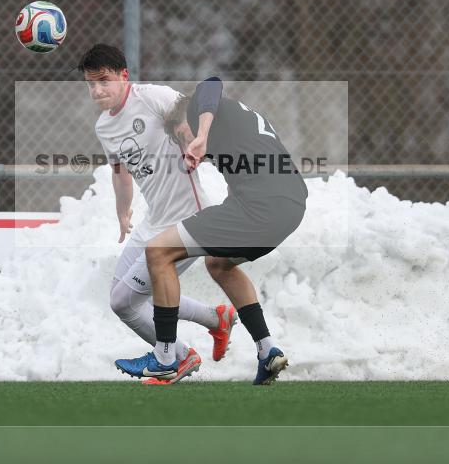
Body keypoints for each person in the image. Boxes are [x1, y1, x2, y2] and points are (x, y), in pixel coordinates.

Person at [115, 77, 307, 385]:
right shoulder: (235, 123)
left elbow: (211, 84)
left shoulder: (201, 112)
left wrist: (200, 133)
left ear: (189, 115)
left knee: (158, 251)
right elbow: (248, 171)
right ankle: (267, 349)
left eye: (181, 134)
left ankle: (165, 359)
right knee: (218, 263)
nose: (184, 142)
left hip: (263, 207)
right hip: (292, 207)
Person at [78, 45, 237, 384]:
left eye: (103, 80)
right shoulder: (104, 127)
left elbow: (185, 118)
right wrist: (123, 214)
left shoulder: (152, 97)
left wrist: (193, 141)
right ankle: (215, 319)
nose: (97, 90)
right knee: (122, 299)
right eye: (90, 84)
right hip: (154, 219)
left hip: (188, 219)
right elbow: (120, 172)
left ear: (124, 76)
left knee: (125, 300)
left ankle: (177, 357)